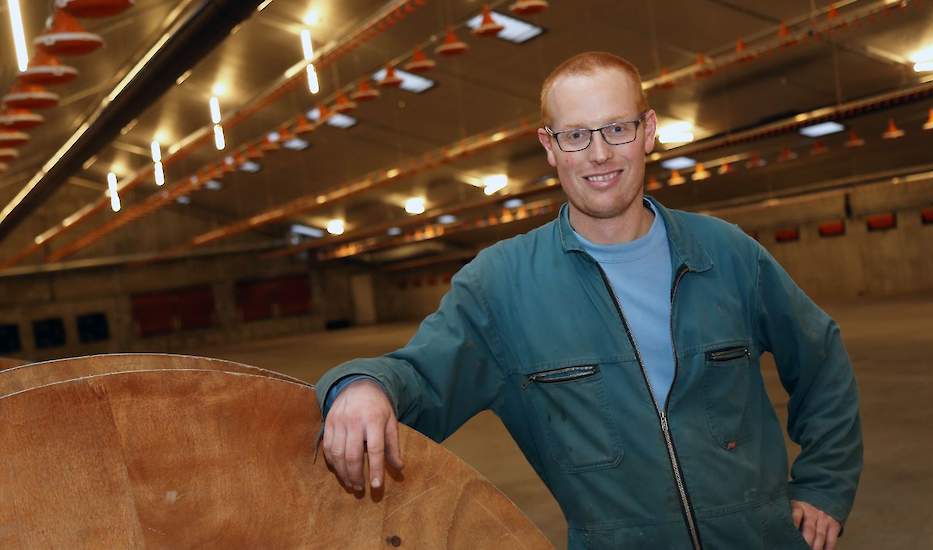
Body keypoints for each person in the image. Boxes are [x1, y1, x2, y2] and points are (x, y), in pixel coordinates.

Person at [316, 51, 862, 550]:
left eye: (617, 129)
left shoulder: (726, 254)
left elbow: (821, 359)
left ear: (648, 131)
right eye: (575, 136)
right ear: (549, 147)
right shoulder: (504, 285)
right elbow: (420, 382)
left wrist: (824, 486)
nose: (599, 154)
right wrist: (363, 386)